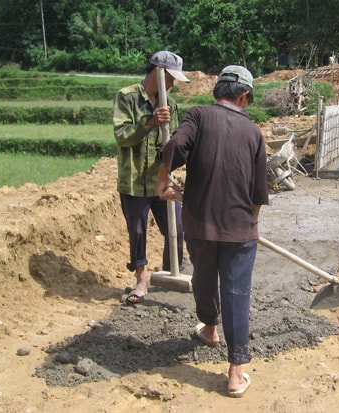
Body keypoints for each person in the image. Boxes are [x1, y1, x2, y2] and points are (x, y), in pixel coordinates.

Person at [156, 65, 269, 398]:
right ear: (244, 96)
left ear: (217, 90)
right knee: (237, 294)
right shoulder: (254, 133)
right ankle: (235, 372)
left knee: (203, 280)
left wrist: (164, 177)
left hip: (199, 225)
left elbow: (176, 144)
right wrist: (253, 226)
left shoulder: (198, 116)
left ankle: (209, 328)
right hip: (239, 231)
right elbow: (258, 193)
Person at [113, 51, 189, 303]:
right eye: (171, 78)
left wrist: (171, 152)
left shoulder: (172, 106)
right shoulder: (127, 97)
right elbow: (122, 136)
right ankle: (141, 280)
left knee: (176, 225)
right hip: (133, 180)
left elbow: (176, 140)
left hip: (160, 178)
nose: (173, 84)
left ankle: (170, 270)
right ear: (158, 73)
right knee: (137, 231)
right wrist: (150, 123)